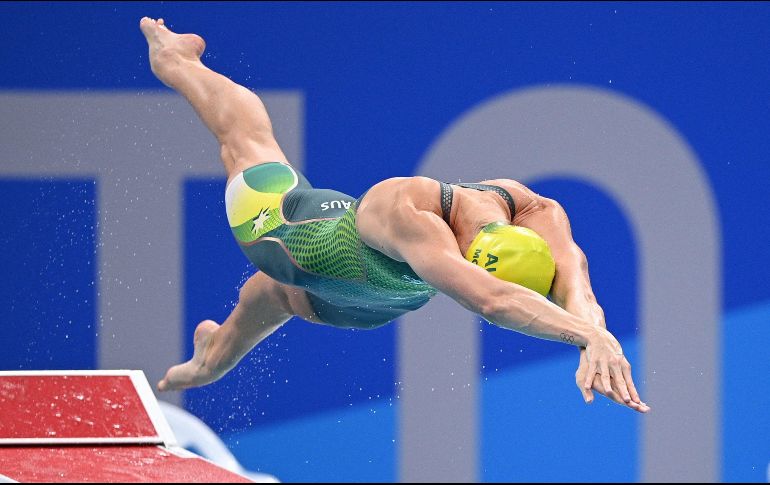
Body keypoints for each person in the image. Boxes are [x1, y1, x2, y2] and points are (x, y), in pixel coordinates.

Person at [140, 17, 649, 413]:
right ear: (472, 252)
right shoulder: (406, 209)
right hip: (285, 232)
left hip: (356, 300)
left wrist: (598, 338)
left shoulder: (539, 211)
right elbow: (492, 300)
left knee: (267, 305)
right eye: (464, 267)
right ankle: (177, 61)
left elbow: (576, 290)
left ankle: (206, 354)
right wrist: (583, 336)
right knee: (248, 143)